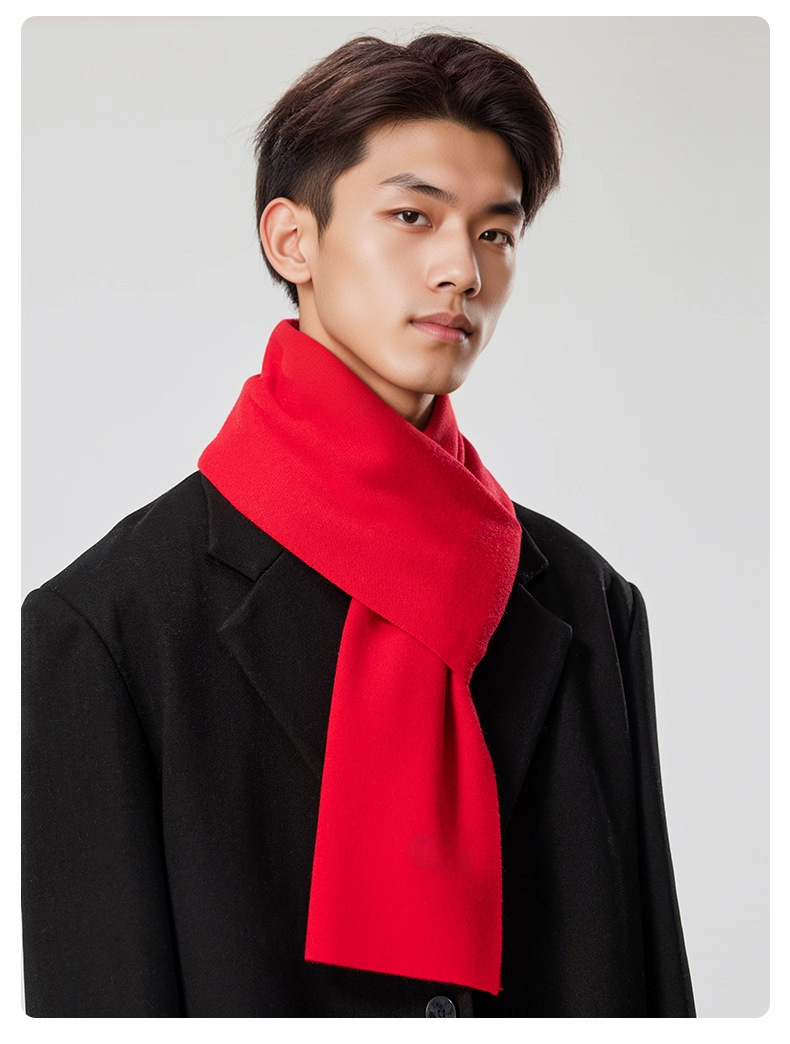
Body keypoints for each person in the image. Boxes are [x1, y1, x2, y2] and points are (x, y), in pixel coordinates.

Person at [21, 32, 695, 1018]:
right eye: (413, 216)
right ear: (292, 240)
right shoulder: (109, 630)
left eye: (496, 233)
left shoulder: (590, 605)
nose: (461, 270)